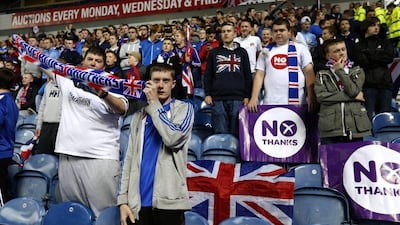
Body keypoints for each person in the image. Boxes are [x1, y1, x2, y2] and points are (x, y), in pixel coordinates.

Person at [42, 46, 128, 217]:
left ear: (103, 66)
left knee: (104, 213)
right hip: (68, 154)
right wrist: (26, 50)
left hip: (99, 157)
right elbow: (44, 64)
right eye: (90, 59)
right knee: (72, 210)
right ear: (83, 61)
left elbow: (122, 108)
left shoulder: (112, 84)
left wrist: (103, 94)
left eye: (98, 61)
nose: (93, 63)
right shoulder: (67, 79)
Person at [118, 63, 194, 225]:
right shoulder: (139, 116)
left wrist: (154, 105)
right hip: (137, 203)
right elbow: (129, 159)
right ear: (149, 83)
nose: (160, 85)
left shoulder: (184, 109)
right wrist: (123, 200)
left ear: (173, 84)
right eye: (156, 80)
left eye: (166, 80)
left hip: (169, 203)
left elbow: (173, 138)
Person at [248, 18, 316, 112]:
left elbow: (309, 72)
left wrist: (311, 96)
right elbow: (259, 74)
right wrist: (254, 97)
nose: (278, 33)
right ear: (272, 34)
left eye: (282, 30)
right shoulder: (265, 51)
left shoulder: (301, 49)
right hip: (270, 103)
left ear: (289, 32)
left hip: (297, 103)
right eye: (275, 31)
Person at [314, 38, 371, 144]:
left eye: (343, 49)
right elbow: (321, 97)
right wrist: (354, 97)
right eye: (336, 51)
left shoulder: (357, 71)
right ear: (328, 56)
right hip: (331, 129)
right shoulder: (321, 74)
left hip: (355, 127)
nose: (341, 53)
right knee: (331, 160)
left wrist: (339, 71)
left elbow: (353, 91)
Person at [204, 22, 252, 137]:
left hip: (238, 97)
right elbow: (208, 75)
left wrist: (247, 96)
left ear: (235, 33)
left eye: (229, 31)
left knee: (237, 133)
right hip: (218, 97)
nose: (226, 34)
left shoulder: (242, 52)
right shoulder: (214, 53)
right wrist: (208, 94)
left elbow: (247, 75)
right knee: (220, 133)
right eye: (223, 31)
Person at [353, 17, 395, 120]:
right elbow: (363, 62)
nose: (376, 28)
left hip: (385, 84)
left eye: (378, 25)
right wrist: (379, 58)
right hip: (367, 85)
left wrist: (369, 54)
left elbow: (389, 58)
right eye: (373, 25)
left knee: (385, 119)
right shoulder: (358, 45)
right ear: (365, 27)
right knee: (367, 118)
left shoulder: (386, 42)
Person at [0, 68, 19, 203]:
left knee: (1, 192)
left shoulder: (2, 101)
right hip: (5, 150)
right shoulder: (10, 101)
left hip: (1, 150)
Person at [34, 75, 61, 155]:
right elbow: (42, 106)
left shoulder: (68, 85)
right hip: (46, 126)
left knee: (57, 156)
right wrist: (39, 126)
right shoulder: (48, 85)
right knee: (43, 155)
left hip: (60, 126)